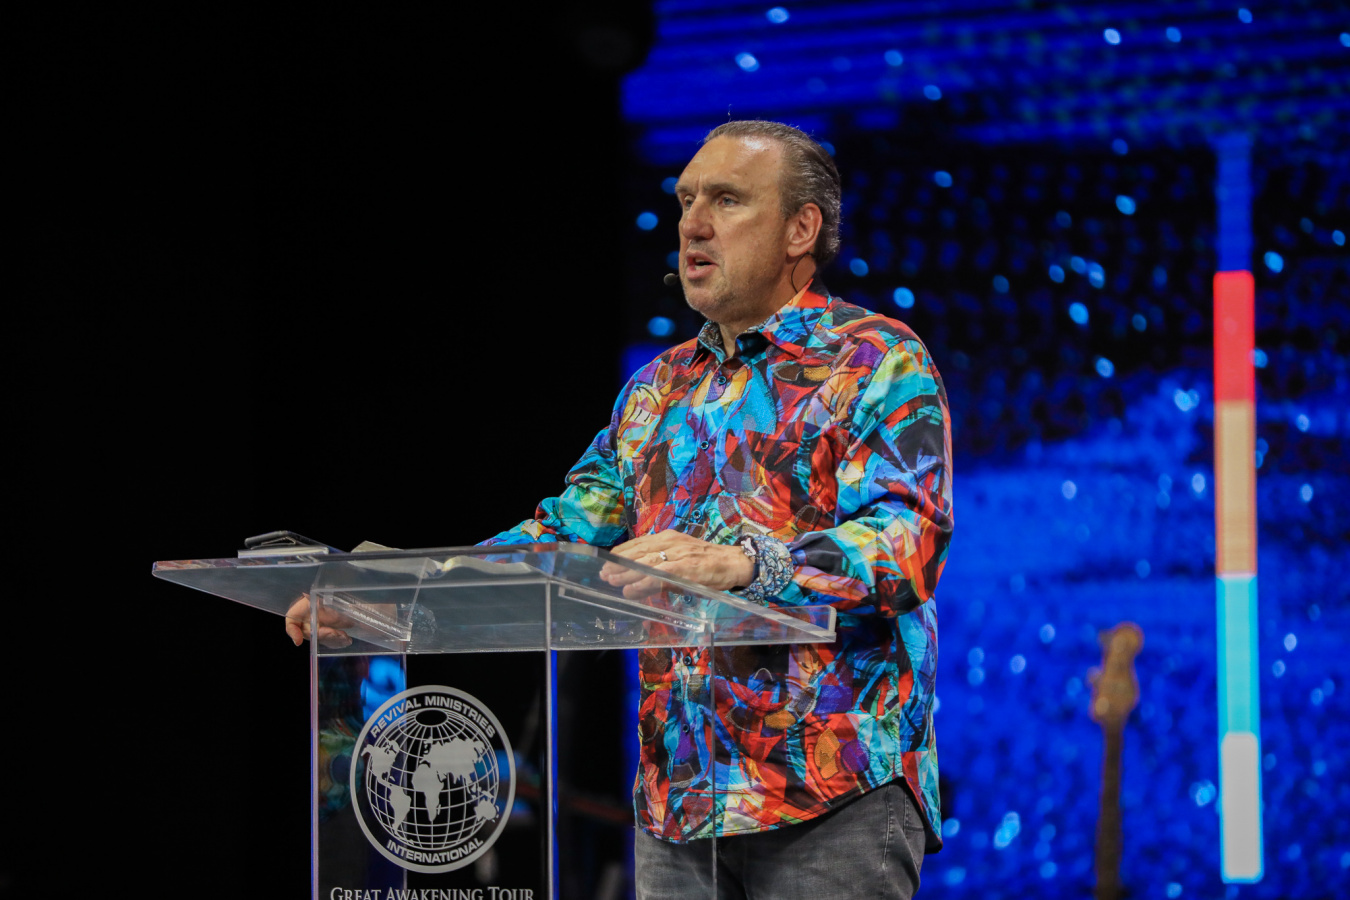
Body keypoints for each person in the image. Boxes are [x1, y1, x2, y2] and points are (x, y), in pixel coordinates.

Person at [287, 119, 952, 899]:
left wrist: (749, 565)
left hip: (831, 795)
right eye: (686, 201)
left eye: (726, 200)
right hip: (678, 805)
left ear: (800, 229)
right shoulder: (657, 389)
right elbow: (559, 535)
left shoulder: (875, 359)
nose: (693, 224)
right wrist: (395, 596)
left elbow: (907, 539)